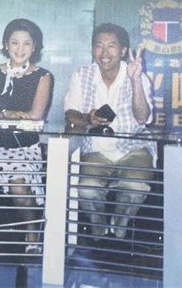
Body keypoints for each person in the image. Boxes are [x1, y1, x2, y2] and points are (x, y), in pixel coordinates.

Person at [0, 18, 52, 254]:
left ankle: (32, 231)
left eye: (26, 43)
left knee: (19, 188)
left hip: (26, 146)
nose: (20, 49)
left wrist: (4, 115)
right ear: (6, 45)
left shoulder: (43, 76)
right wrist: (10, 114)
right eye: (15, 42)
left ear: (34, 47)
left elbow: (35, 117)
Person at [64, 23, 155, 239]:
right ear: (92, 49)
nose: (104, 53)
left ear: (123, 50)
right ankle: (100, 227)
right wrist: (88, 118)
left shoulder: (136, 75)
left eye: (111, 46)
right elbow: (70, 114)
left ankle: (119, 226)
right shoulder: (82, 74)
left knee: (136, 187)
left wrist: (135, 81)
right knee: (86, 189)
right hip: (95, 150)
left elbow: (143, 118)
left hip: (133, 147)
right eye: (99, 46)